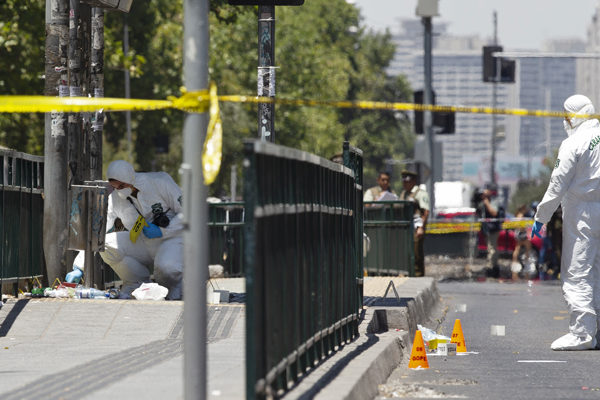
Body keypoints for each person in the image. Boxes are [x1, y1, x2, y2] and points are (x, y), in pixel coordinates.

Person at [531, 94, 600, 350]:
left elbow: (557, 183)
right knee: (597, 270)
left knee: (578, 270)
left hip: (582, 213)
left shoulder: (574, 143)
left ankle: (582, 332)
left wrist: (541, 217)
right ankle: (597, 331)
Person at [66, 160, 184, 300]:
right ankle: (137, 283)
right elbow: (98, 231)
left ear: (130, 178)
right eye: (115, 187)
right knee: (107, 245)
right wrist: (79, 266)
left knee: (167, 267)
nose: (119, 190)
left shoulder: (160, 182)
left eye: (122, 185)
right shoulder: (115, 199)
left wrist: (164, 231)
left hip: (171, 239)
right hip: (144, 242)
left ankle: (173, 288)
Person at [399, 169, 430, 277]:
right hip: (406, 227)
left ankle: (418, 275)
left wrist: (421, 227)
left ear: (413, 181)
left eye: (407, 181)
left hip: (416, 227)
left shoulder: (420, 193)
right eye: (403, 181)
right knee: (406, 252)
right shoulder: (404, 193)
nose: (405, 183)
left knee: (416, 253)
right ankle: (409, 274)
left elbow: (425, 211)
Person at [474, 185, 504, 278]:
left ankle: (492, 266)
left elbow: (494, 212)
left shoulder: (493, 201)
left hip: (493, 228)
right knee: (490, 248)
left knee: (492, 248)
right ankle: (492, 265)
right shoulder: (482, 202)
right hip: (487, 229)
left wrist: (486, 202)